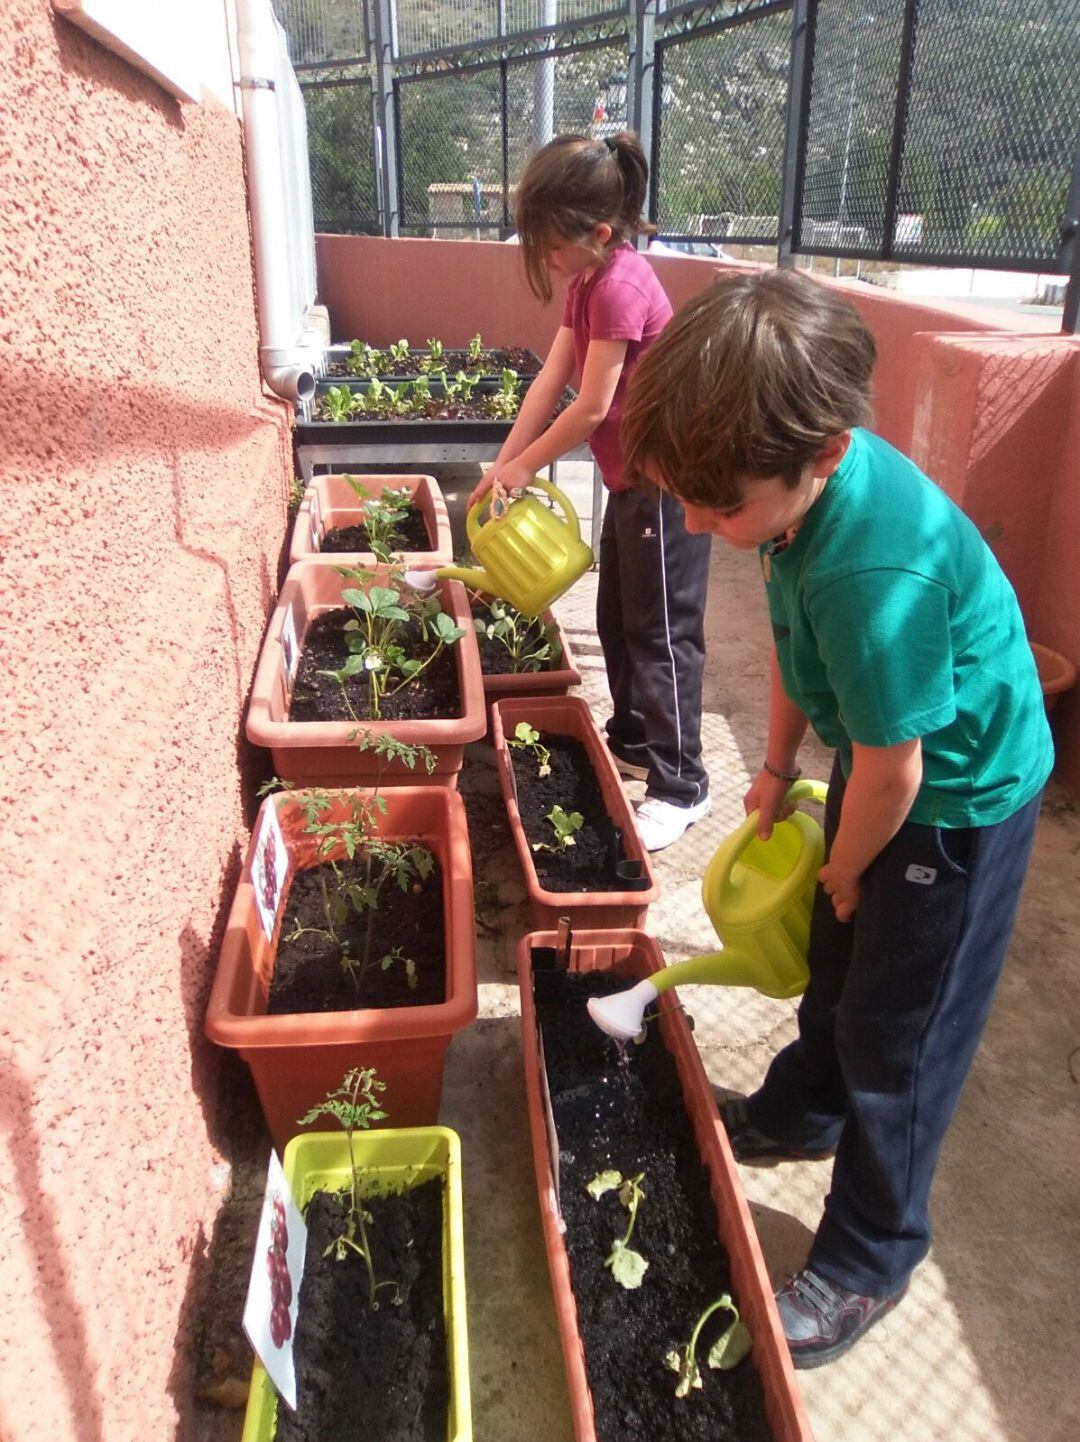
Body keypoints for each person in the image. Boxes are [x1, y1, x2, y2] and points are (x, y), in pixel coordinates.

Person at [619, 268, 1054, 1367]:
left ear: (819, 455)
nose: (695, 522)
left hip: (957, 797)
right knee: (836, 968)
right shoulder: (790, 516)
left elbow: (899, 773)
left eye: (718, 504)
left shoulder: (873, 563)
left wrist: (852, 867)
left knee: (901, 1036)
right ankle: (802, 1110)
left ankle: (871, 1254)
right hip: (886, 765)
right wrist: (770, 765)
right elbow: (794, 652)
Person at [466, 132, 712, 851]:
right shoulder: (587, 281)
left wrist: (525, 470)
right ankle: (635, 736)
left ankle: (681, 783)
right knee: (616, 616)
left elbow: (591, 406)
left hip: (668, 485)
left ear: (599, 233)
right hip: (629, 480)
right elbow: (552, 378)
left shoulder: (621, 286)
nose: (543, 258)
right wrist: (502, 463)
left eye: (548, 245)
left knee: (663, 633)